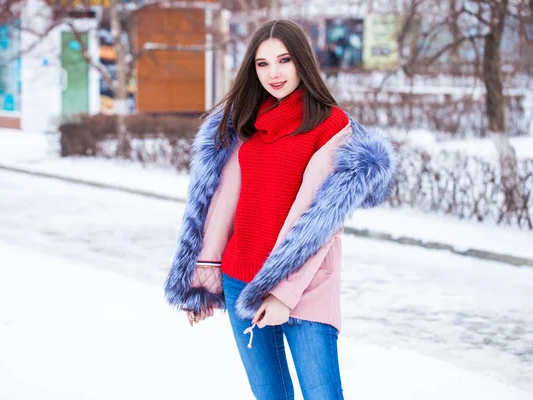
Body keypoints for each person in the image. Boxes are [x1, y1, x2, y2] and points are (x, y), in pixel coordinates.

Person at [164, 19, 395, 400]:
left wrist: (282, 295)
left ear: (302, 62)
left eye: (284, 60)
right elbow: (224, 203)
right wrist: (205, 274)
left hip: (304, 288)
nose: (274, 73)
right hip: (242, 279)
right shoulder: (246, 123)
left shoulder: (331, 126)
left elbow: (320, 225)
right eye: (262, 64)